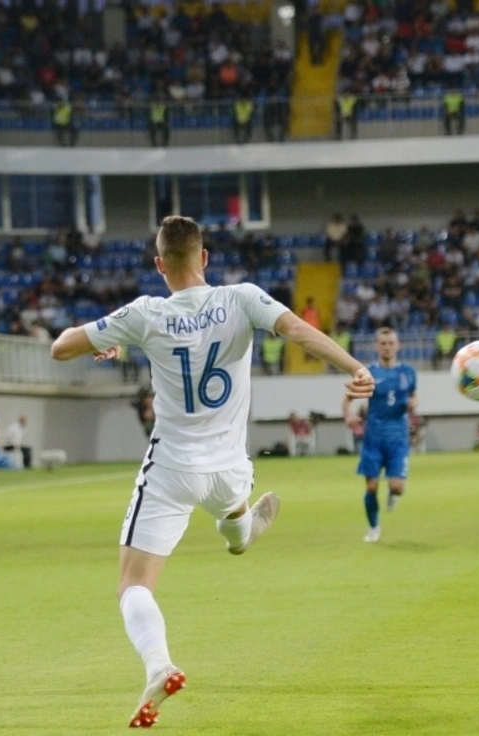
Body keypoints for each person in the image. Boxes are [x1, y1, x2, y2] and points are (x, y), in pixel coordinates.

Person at [49, 215, 373, 728]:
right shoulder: (241, 298)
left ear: (160, 266)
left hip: (173, 468)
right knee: (234, 514)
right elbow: (298, 332)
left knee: (133, 586)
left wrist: (103, 341)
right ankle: (243, 530)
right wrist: (355, 367)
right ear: (204, 258)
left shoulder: (145, 313)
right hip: (230, 467)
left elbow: (61, 346)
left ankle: (159, 664)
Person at [343, 328, 416, 544]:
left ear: (397, 345)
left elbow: (415, 396)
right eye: (383, 343)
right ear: (377, 346)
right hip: (373, 438)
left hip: (399, 438)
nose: (387, 346)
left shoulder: (409, 372)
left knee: (397, 487)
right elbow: (348, 399)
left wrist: (414, 404)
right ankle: (374, 528)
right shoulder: (369, 372)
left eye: (390, 342)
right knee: (371, 486)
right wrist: (348, 415)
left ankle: (393, 494)